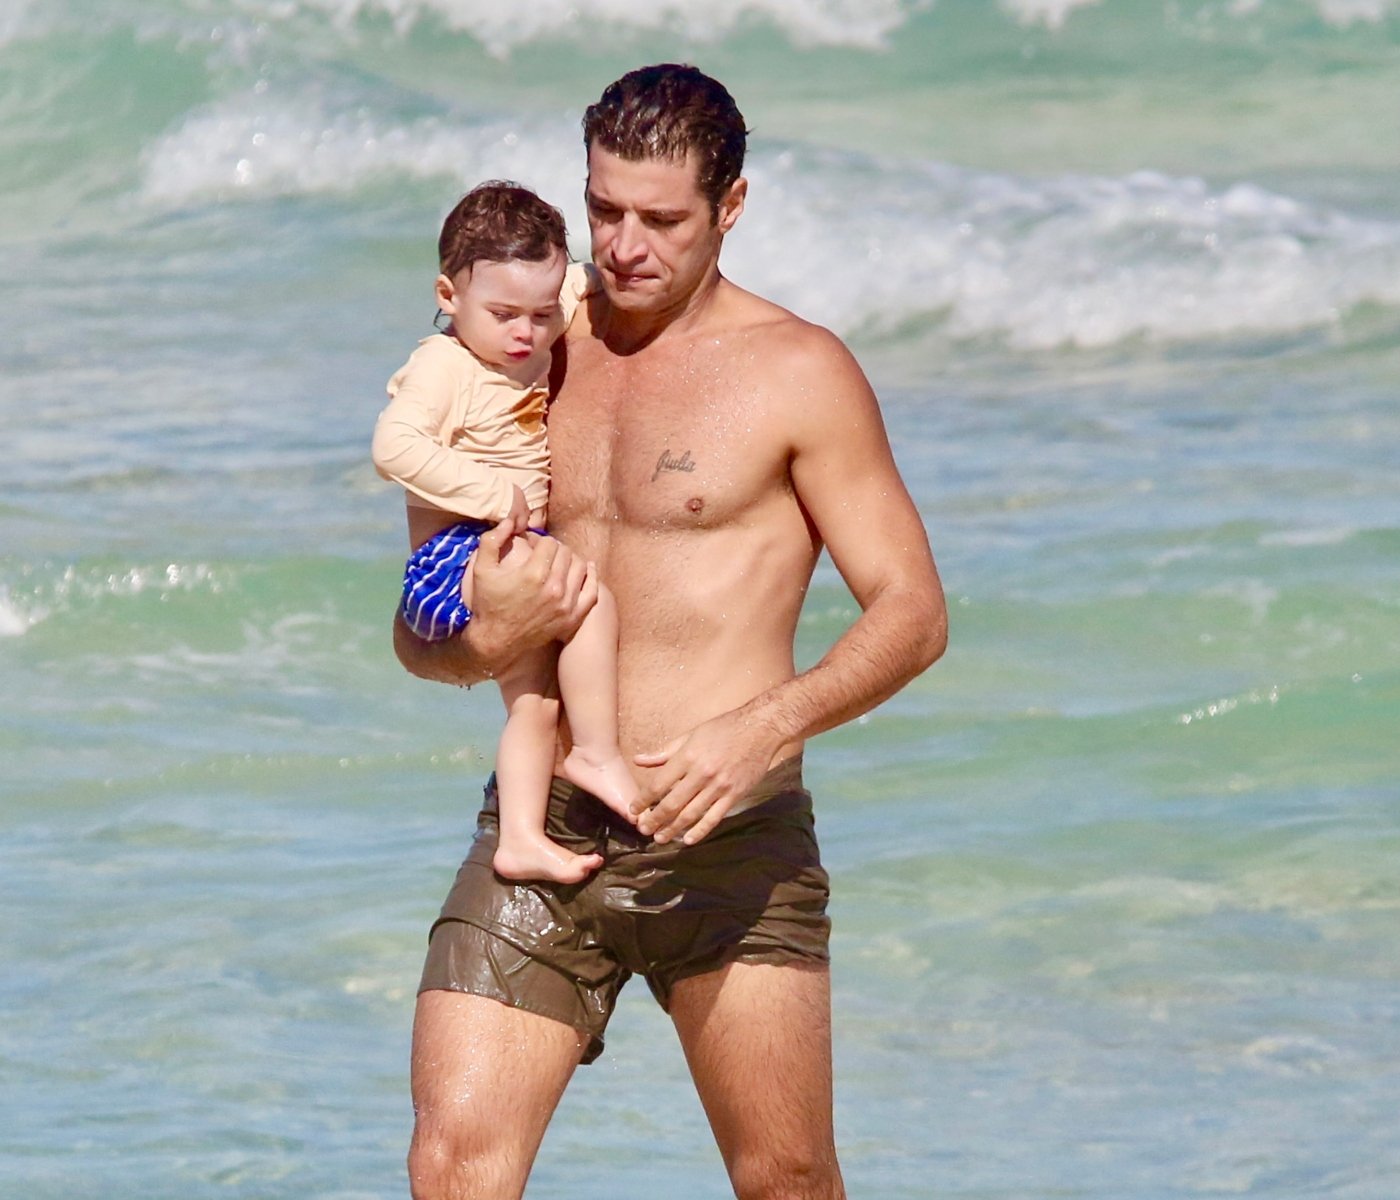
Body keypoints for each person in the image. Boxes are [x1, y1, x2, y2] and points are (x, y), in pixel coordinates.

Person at [394, 64, 947, 1200]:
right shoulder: (521, 352)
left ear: (729, 207)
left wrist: (760, 729)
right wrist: (481, 640)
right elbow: (419, 631)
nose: (623, 245)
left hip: (729, 838)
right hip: (541, 832)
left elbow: (912, 614)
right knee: (453, 1166)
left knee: (783, 1176)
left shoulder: (797, 372)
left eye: (661, 219)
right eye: (602, 210)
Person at [372, 181, 638, 885]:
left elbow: (584, 283)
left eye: (542, 314)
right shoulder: (445, 364)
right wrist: (496, 494)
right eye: (503, 314)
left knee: (535, 699)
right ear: (447, 296)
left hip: (486, 548)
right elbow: (393, 447)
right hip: (452, 555)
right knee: (588, 595)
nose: (526, 334)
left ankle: (519, 837)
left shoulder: (537, 318)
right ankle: (597, 753)